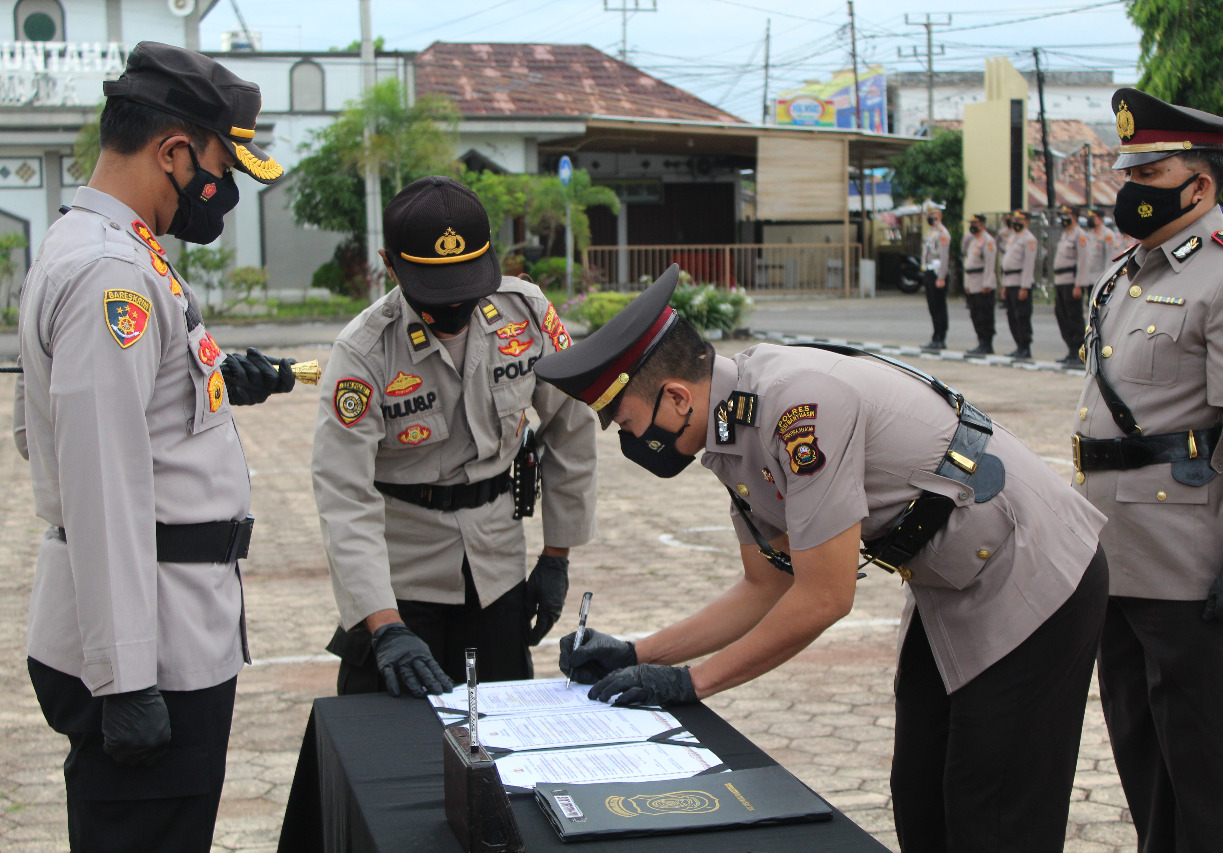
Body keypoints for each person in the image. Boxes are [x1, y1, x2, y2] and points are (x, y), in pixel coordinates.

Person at [534, 264, 1109, 852]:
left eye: (627, 423)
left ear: (677, 396)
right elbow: (765, 585)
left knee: (991, 810)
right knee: (920, 794)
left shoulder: (797, 407)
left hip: (1033, 571)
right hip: (953, 586)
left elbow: (825, 596)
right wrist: (635, 654)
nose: (630, 443)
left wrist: (691, 682)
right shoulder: (730, 430)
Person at [14, 42, 295, 852]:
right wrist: (126, 676)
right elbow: (101, 478)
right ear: (174, 152)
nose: (225, 190)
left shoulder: (101, 248)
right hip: (151, 646)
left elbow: (56, 430)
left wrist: (206, 381)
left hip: (161, 619)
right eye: (220, 164)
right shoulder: (114, 274)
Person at [1073, 87, 1223, 853]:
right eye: (1130, 175)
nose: (1131, 193)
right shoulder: (1125, 274)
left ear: (1202, 185)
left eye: (1150, 177)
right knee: (1140, 745)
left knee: (1205, 758)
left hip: (1192, 559)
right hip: (1114, 548)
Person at [312, 176, 597, 698]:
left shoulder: (527, 314)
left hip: (496, 567)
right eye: (434, 294)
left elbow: (570, 428)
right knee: (389, 748)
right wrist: (385, 626)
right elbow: (344, 497)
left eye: (466, 288)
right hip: (400, 582)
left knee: (503, 743)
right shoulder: (364, 353)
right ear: (390, 265)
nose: (452, 309)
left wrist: (557, 556)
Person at [1051, 204, 1086, 365]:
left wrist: (1079, 284)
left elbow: (1082, 261)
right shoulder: (1066, 234)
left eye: (1066, 214)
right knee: (1061, 315)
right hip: (1060, 281)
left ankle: (1079, 351)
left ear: (1074, 216)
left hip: (1072, 282)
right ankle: (1071, 349)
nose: (1063, 217)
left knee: (1074, 316)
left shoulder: (1080, 235)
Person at [1001, 209, 1038, 359]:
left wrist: (1025, 286)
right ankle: (1018, 346)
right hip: (1009, 282)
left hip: (1020, 283)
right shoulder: (1013, 237)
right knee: (1012, 316)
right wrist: (1004, 285)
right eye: (1015, 220)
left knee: (1021, 316)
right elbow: (1006, 263)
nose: (1016, 223)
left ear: (1026, 222)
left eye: (1020, 221)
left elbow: (1029, 265)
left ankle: (1025, 347)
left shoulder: (1029, 239)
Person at [962, 213, 998, 355]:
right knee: (975, 315)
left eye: (975, 224)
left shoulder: (987, 241)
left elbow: (990, 264)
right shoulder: (973, 240)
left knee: (985, 315)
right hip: (972, 283)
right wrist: (966, 284)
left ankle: (987, 344)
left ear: (982, 225)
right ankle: (980, 342)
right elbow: (967, 263)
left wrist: (987, 283)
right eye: (971, 223)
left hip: (982, 283)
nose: (972, 226)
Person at [919, 205, 950, 350]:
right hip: (929, 272)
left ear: (940, 216)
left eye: (933, 215)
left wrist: (941, 277)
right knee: (932, 307)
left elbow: (944, 257)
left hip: (938, 274)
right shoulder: (931, 232)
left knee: (939, 307)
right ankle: (935, 336)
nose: (930, 218)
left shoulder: (942, 233)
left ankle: (941, 337)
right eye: (929, 215)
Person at [1077, 207, 1120, 301]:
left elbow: (1110, 257)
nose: (1090, 220)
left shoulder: (1107, 234)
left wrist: (1107, 278)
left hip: (1100, 277)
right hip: (1089, 278)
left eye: (1093, 217)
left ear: (1100, 219)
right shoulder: (1088, 235)